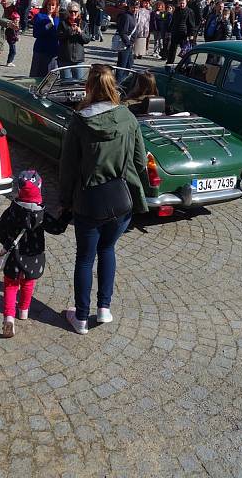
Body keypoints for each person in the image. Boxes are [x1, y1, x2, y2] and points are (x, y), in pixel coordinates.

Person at [59, 64, 149, 334]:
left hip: (88, 199)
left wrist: (64, 201)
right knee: (108, 250)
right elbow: (139, 162)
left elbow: (68, 167)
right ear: (113, 86)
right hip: (120, 198)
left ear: (89, 87)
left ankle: (82, 318)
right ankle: (104, 309)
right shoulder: (128, 117)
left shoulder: (79, 121)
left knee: (85, 258)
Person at [0, 170, 69, 338]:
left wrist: (7, 242)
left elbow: (0, 227)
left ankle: (8, 318)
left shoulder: (12, 211)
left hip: (14, 255)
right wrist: (66, 214)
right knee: (28, 283)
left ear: (19, 190)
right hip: (33, 257)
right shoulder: (41, 215)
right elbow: (57, 228)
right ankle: (23, 311)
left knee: (10, 285)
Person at [57, 2, 90, 79]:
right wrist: (69, 31)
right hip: (65, 58)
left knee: (78, 82)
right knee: (66, 83)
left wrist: (80, 32)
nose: (73, 13)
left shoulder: (83, 24)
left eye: (75, 11)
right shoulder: (63, 23)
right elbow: (59, 37)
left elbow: (87, 39)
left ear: (78, 12)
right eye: (71, 11)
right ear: (68, 12)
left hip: (78, 59)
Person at [30, 0, 60, 77]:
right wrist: (46, 27)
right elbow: (35, 34)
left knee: (50, 75)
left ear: (56, 6)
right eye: (49, 5)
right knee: (38, 74)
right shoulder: (39, 16)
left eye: (53, 5)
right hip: (41, 50)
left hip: (53, 51)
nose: (50, 7)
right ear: (46, 5)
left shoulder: (57, 18)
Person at [165, 0, 196, 64]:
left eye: (183, 3)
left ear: (186, 3)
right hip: (175, 32)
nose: (182, 5)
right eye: (181, 3)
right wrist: (169, 31)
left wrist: (191, 34)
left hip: (184, 33)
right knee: (172, 49)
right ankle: (169, 63)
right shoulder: (176, 10)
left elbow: (192, 24)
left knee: (185, 50)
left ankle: (188, 64)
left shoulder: (189, 11)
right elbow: (173, 21)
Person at [115, 0, 136, 75]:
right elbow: (123, 32)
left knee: (129, 64)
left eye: (136, 7)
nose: (135, 9)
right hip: (125, 44)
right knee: (122, 66)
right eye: (133, 7)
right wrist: (128, 44)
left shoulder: (132, 15)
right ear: (129, 7)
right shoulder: (126, 16)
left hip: (129, 44)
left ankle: (123, 81)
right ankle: (118, 83)